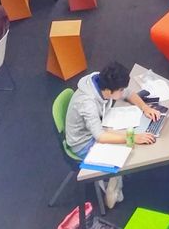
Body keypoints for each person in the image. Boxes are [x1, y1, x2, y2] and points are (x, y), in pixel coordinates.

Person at [65, 62, 160, 208]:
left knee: (128, 136)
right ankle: (111, 182)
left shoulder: (101, 81)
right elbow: (100, 136)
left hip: (98, 126)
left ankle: (114, 179)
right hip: (83, 143)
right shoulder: (88, 104)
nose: (123, 92)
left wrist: (145, 107)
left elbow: (128, 93)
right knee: (127, 145)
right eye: (120, 90)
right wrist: (133, 138)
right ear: (108, 91)